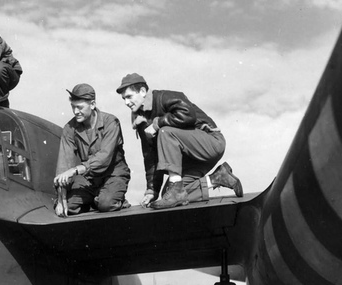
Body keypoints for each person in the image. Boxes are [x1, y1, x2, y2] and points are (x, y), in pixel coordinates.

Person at [116, 73, 243, 210]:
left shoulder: (163, 97)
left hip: (210, 142)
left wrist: (157, 123)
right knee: (169, 196)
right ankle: (217, 178)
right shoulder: (141, 121)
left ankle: (176, 186)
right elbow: (150, 157)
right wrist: (152, 190)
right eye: (123, 99)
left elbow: (188, 114)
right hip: (190, 158)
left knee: (165, 132)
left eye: (129, 97)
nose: (126, 103)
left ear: (142, 91)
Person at [54, 83, 131, 216]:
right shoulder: (69, 128)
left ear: (93, 104)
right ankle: (91, 201)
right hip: (89, 179)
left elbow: (104, 158)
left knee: (106, 204)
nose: (75, 112)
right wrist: (62, 197)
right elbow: (64, 163)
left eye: (80, 107)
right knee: (68, 206)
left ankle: (117, 200)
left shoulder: (111, 122)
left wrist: (75, 170)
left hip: (113, 174)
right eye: (73, 107)